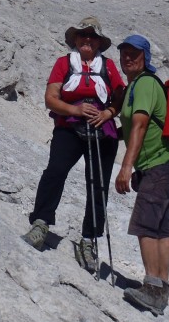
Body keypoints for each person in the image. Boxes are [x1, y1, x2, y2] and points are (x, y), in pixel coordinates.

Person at [22, 17, 125, 272]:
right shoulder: (63, 64)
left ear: (99, 42)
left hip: (103, 129)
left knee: (98, 186)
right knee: (55, 171)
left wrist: (109, 113)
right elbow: (50, 99)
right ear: (76, 39)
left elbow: (120, 98)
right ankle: (41, 222)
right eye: (83, 35)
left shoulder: (109, 67)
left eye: (92, 36)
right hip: (69, 125)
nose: (87, 39)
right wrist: (75, 110)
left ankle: (89, 240)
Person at [114, 34, 169, 316]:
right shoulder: (138, 85)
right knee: (161, 227)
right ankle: (162, 287)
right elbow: (133, 128)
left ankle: (152, 289)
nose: (128, 58)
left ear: (145, 58)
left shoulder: (143, 85)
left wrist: (126, 167)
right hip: (166, 164)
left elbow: (140, 127)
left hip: (157, 165)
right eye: (124, 53)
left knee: (144, 224)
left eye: (134, 54)